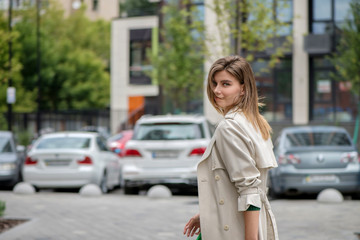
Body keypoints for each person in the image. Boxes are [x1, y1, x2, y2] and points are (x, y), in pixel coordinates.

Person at [183, 56, 279, 240]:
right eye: (214, 83)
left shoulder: (229, 127)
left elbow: (249, 190)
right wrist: (208, 216)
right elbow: (235, 185)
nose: (216, 90)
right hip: (237, 223)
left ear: (243, 88)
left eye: (225, 84)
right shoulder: (255, 122)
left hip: (235, 231)